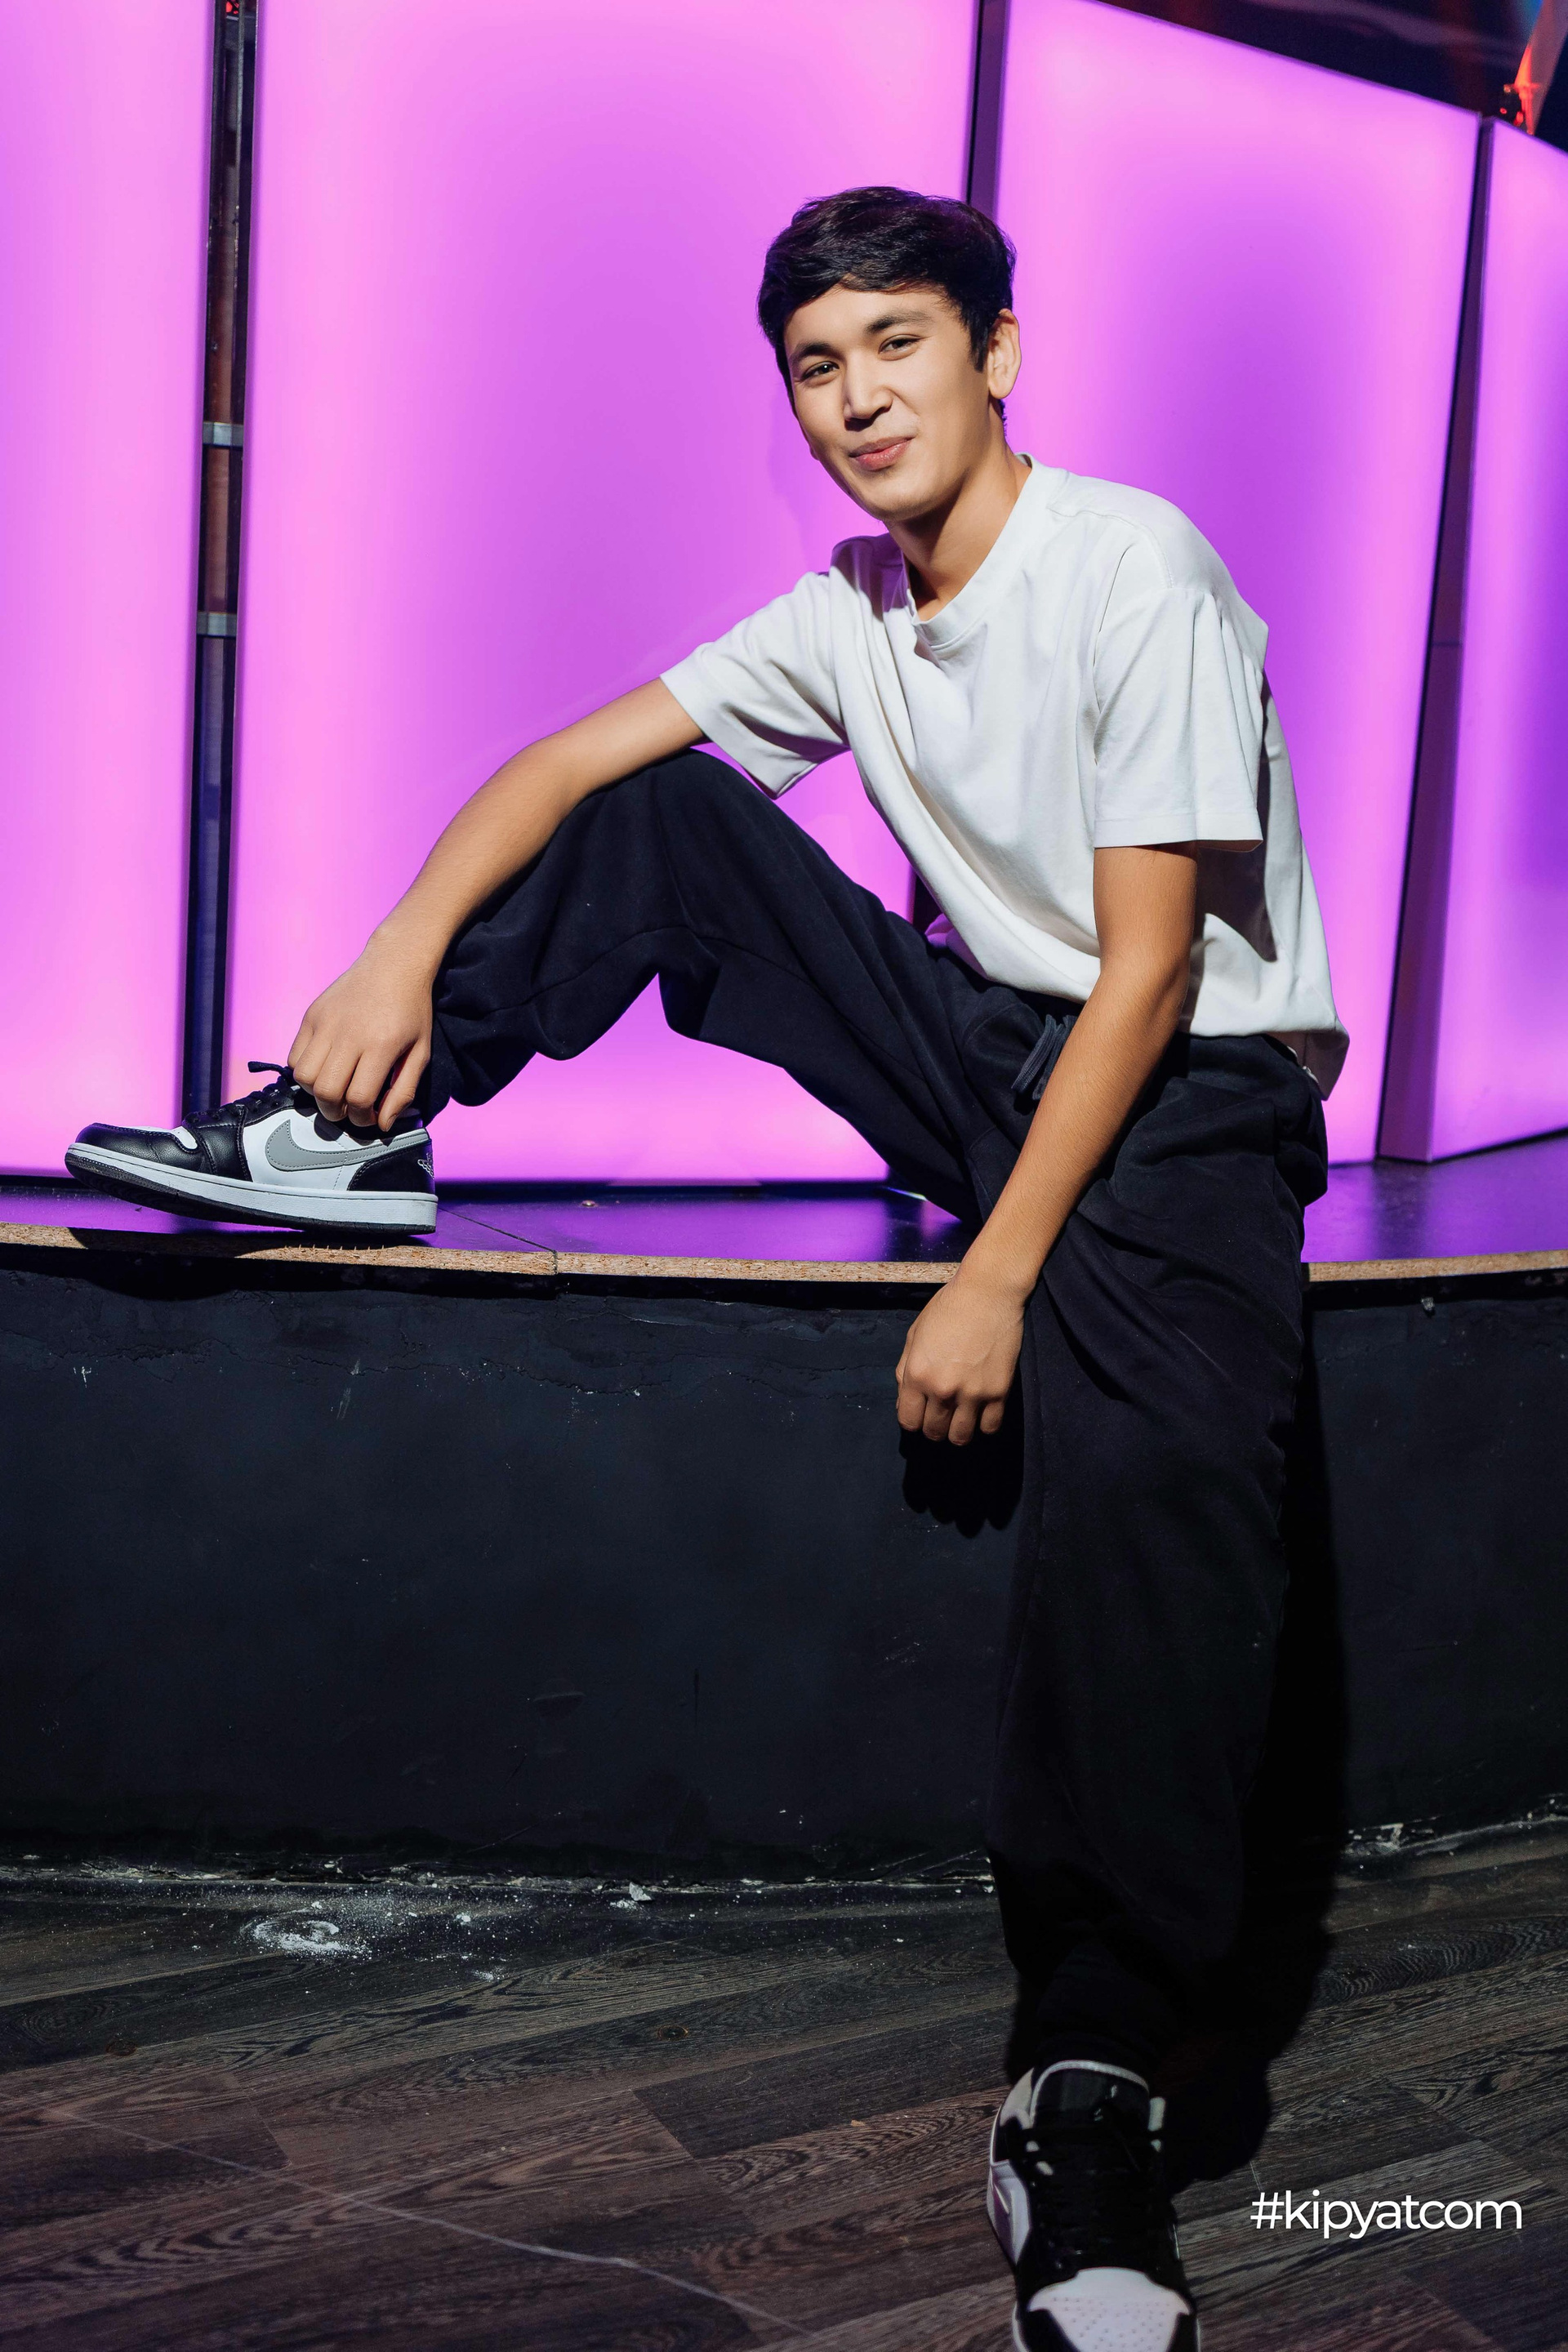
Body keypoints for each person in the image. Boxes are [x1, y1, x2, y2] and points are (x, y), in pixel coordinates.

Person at [67, 187, 1346, 2351]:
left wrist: (994, 1277)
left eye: (899, 346)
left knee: (1162, 1494)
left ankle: (1090, 2080)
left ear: (996, 353)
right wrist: (389, 961)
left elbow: (1147, 977)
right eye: (817, 368)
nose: (859, 399)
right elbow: (577, 764)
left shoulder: (1136, 567)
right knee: (663, 816)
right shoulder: (852, 611)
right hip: (997, 1052)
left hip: (1188, 1103)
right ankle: (350, 1134)